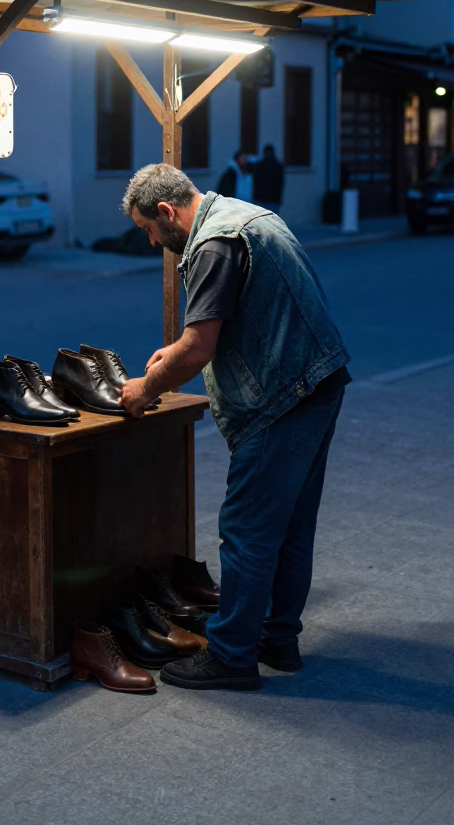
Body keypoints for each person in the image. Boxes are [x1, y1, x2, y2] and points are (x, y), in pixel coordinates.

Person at [119, 163, 350, 691]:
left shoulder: (213, 244)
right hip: (317, 381)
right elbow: (237, 318)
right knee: (290, 527)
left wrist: (145, 388)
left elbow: (199, 346)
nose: (153, 242)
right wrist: (174, 353)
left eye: (149, 229)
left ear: (167, 211)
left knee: (247, 530)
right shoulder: (245, 215)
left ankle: (231, 656)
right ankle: (277, 639)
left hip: (282, 396)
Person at [252, 143, 284, 213]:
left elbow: (256, 182)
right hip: (273, 199)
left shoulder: (260, 166)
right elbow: (281, 183)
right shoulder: (278, 166)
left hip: (262, 199)